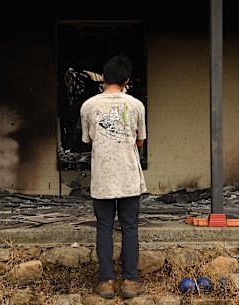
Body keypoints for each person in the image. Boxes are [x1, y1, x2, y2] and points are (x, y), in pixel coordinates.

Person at [80, 54, 147, 299]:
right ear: (127, 80)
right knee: (130, 228)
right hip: (128, 177)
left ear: (103, 78)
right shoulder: (136, 105)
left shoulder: (88, 106)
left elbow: (88, 140)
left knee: (104, 229)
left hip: (102, 179)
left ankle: (106, 282)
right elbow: (140, 140)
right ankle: (130, 282)